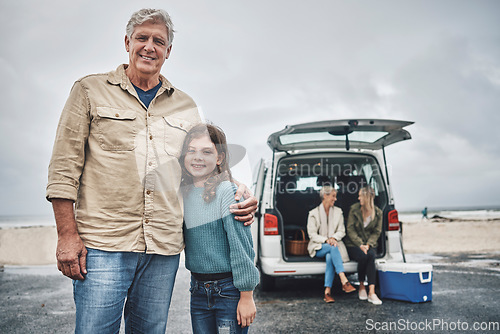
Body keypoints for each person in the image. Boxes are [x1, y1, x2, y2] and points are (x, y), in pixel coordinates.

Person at [46, 8, 257, 333]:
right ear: (127, 41)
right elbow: (63, 169)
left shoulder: (186, 106)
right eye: (142, 37)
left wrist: (236, 187)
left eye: (158, 40)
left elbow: (199, 166)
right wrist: (67, 236)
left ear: (168, 51)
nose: (149, 46)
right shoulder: (89, 90)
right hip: (104, 246)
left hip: (163, 248)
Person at [181, 123, 259, 333]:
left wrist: (246, 295)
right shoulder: (183, 193)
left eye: (207, 151)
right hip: (197, 289)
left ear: (219, 158)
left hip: (228, 290)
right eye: (191, 150)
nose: (198, 157)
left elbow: (241, 246)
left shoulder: (227, 191)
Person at [307, 186, 356, 303]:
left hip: (334, 246)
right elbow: (312, 235)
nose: (335, 199)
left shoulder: (338, 212)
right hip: (319, 246)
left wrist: (334, 238)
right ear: (325, 196)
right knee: (332, 247)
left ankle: (327, 292)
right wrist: (326, 240)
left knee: (330, 256)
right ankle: (343, 279)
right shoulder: (313, 213)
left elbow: (342, 231)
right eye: (333, 196)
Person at [345, 186, 383, 305]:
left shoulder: (378, 213)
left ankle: (371, 292)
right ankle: (361, 286)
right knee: (363, 256)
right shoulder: (354, 209)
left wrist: (368, 244)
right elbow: (350, 230)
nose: (358, 198)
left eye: (360, 196)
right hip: (354, 243)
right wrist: (360, 244)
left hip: (369, 245)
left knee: (370, 255)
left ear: (367, 198)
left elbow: (377, 232)